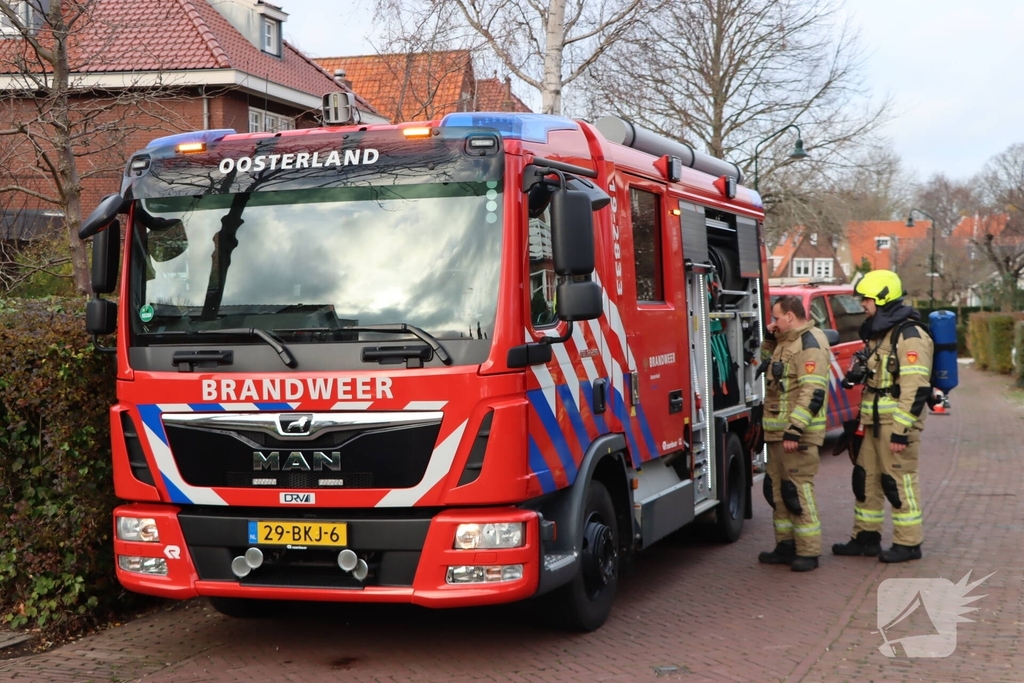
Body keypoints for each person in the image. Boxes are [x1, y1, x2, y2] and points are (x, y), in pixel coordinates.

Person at [832, 269, 933, 563]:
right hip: (872, 423)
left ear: (882, 299)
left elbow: (916, 387)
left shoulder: (910, 335)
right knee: (866, 480)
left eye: (866, 299)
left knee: (898, 482)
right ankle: (866, 538)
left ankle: (908, 543)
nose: (862, 305)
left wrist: (901, 430)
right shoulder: (882, 333)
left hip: (895, 426)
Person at [758, 295, 831, 572]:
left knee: (798, 491)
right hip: (778, 433)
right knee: (778, 491)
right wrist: (770, 337)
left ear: (790, 315)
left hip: (797, 435)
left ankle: (809, 551)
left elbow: (812, 391)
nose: (774, 322)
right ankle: (785, 546)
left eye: (777, 317)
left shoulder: (810, 343)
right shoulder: (786, 341)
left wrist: (795, 429)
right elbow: (766, 364)